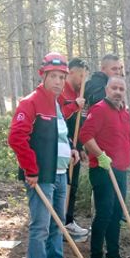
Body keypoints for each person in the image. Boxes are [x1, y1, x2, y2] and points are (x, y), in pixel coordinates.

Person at [8, 52, 80, 258]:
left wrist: (70, 149)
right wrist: (31, 169)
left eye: (62, 77)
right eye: (54, 76)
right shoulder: (31, 102)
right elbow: (17, 137)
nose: (59, 81)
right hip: (41, 175)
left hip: (60, 173)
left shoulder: (57, 104)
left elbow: (59, 134)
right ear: (44, 76)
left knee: (58, 223)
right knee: (41, 225)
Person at [79, 76, 130, 258]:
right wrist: (100, 155)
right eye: (114, 88)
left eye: (121, 89)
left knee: (116, 213)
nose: (118, 92)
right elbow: (85, 136)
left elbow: (129, 141)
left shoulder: (125, 113)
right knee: (104, 213)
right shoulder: (99, 110)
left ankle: (112, 254)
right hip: (102, 170)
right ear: (107, 89)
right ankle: (95, 257)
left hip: (120, 170)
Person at [59, 57, 89, 238]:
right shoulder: (62, 92)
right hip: (62, 148)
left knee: (74, 184)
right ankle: (61, 221)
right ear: (71, 72)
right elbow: (59, 117)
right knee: (65, 184)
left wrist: (81, 146)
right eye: (81, 76)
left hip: (74, 147)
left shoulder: (79, 94)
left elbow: (79, 124)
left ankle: (68, 219)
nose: (83, 81)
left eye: (85, 77)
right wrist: (74, 106)